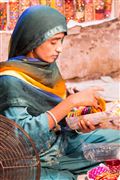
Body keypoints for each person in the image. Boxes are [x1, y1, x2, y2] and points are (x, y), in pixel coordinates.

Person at [0, 5, 119, 180]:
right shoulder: (9, 80)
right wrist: (70, 103)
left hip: (62, 146)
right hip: (31, 160)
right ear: (33, 40)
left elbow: (57, 118)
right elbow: (21, 138)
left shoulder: (46, 68)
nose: (59, 49)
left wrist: (80, 121)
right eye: (53, 41)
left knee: (117, 149)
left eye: (61, 41)